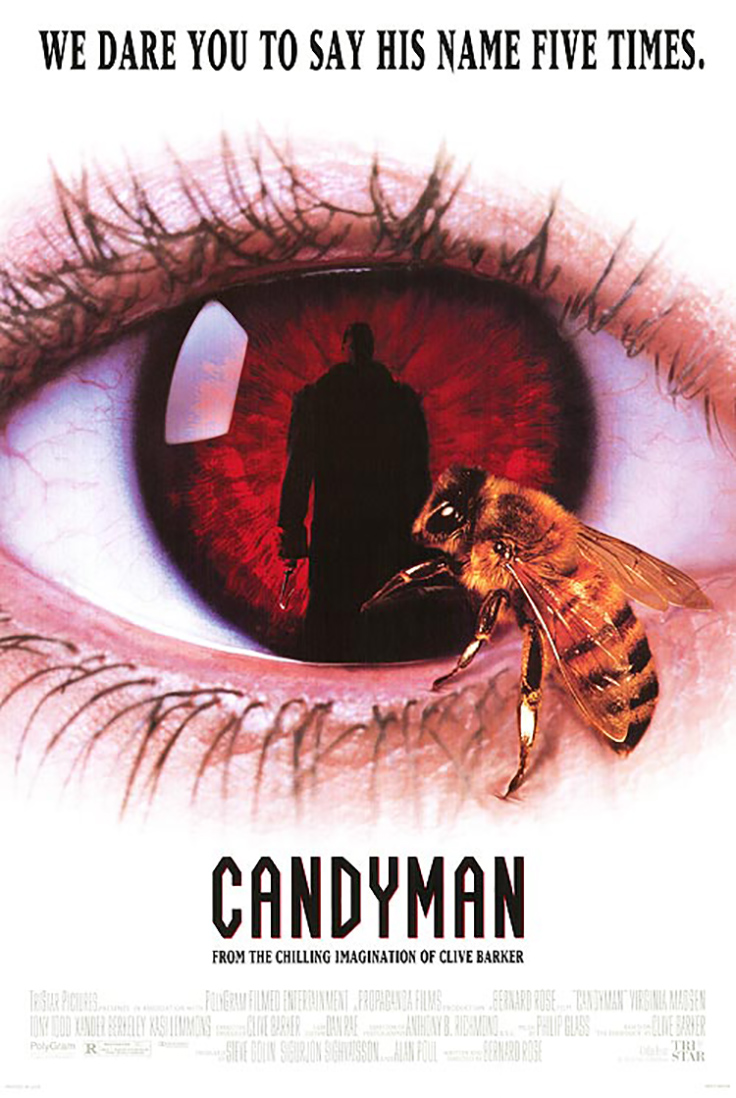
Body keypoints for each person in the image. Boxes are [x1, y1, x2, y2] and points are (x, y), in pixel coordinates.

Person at [278, 321, 432, 661]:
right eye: (356, 342)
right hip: (379, 531)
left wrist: (291, 530)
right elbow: (418, 474)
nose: (357, 349)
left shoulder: (320, 399)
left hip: (345, 530)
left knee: (342, 623)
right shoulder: (399, 401)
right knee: (378, 626)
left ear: (345, 347)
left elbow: (298, 469)